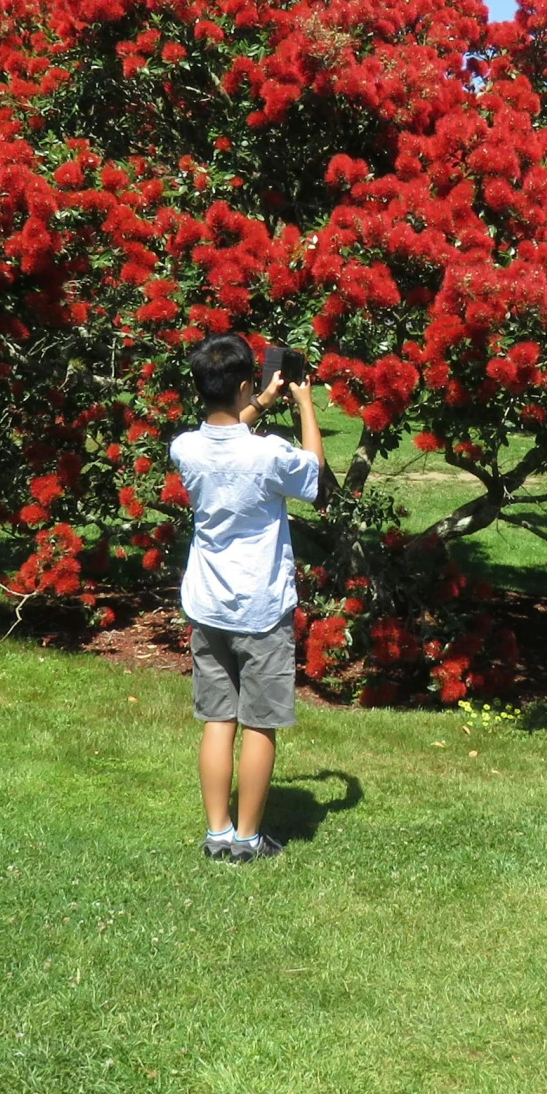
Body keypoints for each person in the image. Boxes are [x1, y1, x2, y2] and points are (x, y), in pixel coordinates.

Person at [171, 334, 330, 863]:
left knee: (219, 719)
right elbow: (315, 478)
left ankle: (217, 833)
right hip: (260, 608)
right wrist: (304, 403)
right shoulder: (269, 454)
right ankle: (247, 840)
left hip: (207, 602)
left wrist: (258, 400)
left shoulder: (184, 447)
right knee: (260, 722)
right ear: (244, 384)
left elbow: (225, 436)